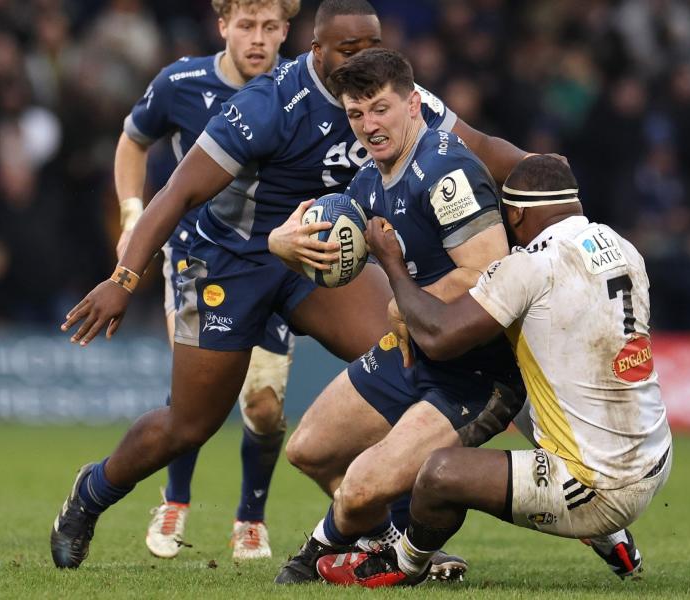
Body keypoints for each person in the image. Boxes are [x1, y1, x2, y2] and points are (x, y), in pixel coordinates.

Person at [51, 0, 531, 572]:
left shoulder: (393, 98)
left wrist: (550, 180)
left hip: (318, 261)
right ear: (315, 50)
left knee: (412, 352)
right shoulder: (268, 104)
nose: (362, 59)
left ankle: (399, 539)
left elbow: (481, 146)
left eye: (370, 45)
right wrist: (123, 279)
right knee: (190, 423)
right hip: (228, 261)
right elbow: (177, 192)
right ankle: (91, 494)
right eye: (346, 50)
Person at [316, 154, 673, 587]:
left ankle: (404, 564)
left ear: (517, 212)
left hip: (596, 483)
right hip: (656, 456)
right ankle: (609, 536)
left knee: (438, 474)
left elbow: (439, 337)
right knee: (530, 378)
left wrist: (392, 264)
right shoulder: (622, 246)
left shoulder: (529, 266)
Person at [271, 47, 525, 585]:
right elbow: (331, 229)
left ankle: (315, 554)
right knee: (308, 450)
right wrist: (283, 242)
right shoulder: (370, 182)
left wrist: (403, 301)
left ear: (414, 105)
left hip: (477, 372)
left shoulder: (445, 169)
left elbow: (491, 271)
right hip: (415, 353)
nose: (369, 126)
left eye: (380, 109)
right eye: (356, 115)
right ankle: (400, 548)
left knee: (361, 487)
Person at [114, 0, 299, 561]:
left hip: (276, 263)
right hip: (196, 258)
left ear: (287, 30)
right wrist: (130, 215)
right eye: (247, 26)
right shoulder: (181, 82)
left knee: (264, 406)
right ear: (223, 26)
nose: (258, 39)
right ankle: (175, 500)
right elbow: (132, 142)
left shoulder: (301, 90)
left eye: (271, 27)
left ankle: (251, 517)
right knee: (193, 386)